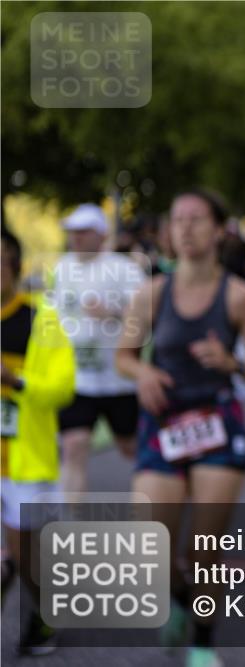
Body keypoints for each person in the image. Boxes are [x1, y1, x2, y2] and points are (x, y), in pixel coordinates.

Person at [115, 188, 245, 667]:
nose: (185, 228)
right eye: (177, 219)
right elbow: (124, 357)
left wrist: (234, 363)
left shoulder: (239, 296)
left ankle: (204, 644)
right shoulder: (151, 294)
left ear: (219, 229)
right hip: (163, 421)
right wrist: (143, 373)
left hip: (217, 420)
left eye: (197, 219)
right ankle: (177, 596)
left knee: (204, 549)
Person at [0, 228, 76, 655]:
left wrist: (18, 381)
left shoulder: (40, 318)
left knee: (25, 556)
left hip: (24, 460)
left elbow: (62, 386)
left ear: (13, 265)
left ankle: (45, 610)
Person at [51, 204, 145, 494]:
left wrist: (114, 314)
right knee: (74, 446)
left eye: (83, 232)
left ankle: (165, 498)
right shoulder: (60, 268)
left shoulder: (125, 269)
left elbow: (146, 316)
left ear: (102, 235)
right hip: (78, 380)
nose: (75, 238)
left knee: (130, 447)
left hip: (119, 381)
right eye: (72, 232)